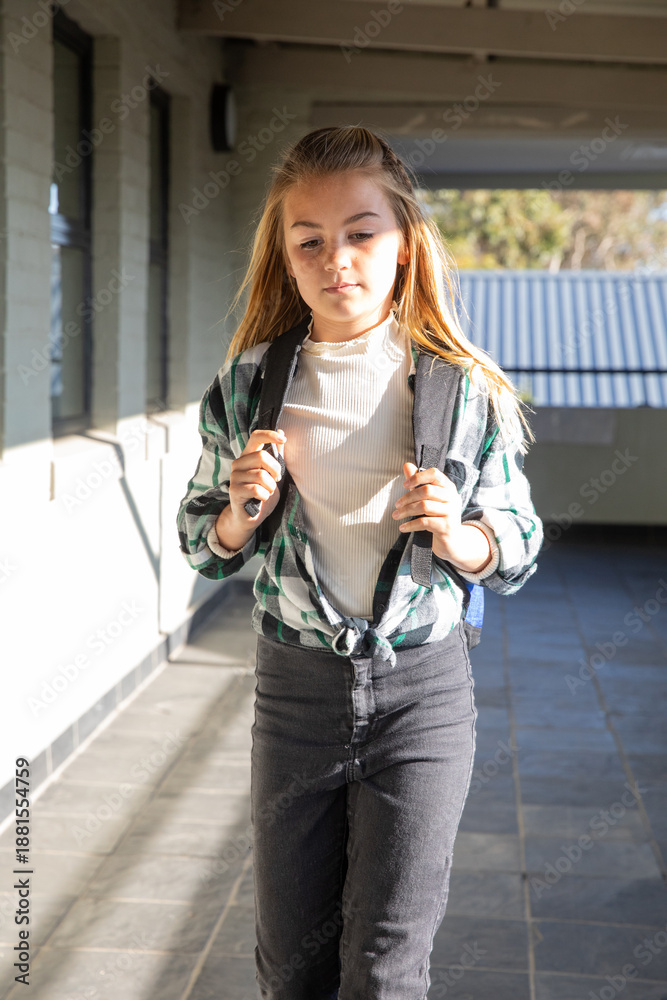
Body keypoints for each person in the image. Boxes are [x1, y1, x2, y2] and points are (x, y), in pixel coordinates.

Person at [177, 125, 543, 1000]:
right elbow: (201, 544)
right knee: (289, 963)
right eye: (309, 240)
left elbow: (517, 546)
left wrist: (458, 536)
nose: (335, 257)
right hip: (294, 696)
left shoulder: (462, 388)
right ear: (287, 257)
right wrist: (238, 510)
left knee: (385, 969)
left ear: (405, 241)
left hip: (423, 698)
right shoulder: (248, 385)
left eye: (360, 232)